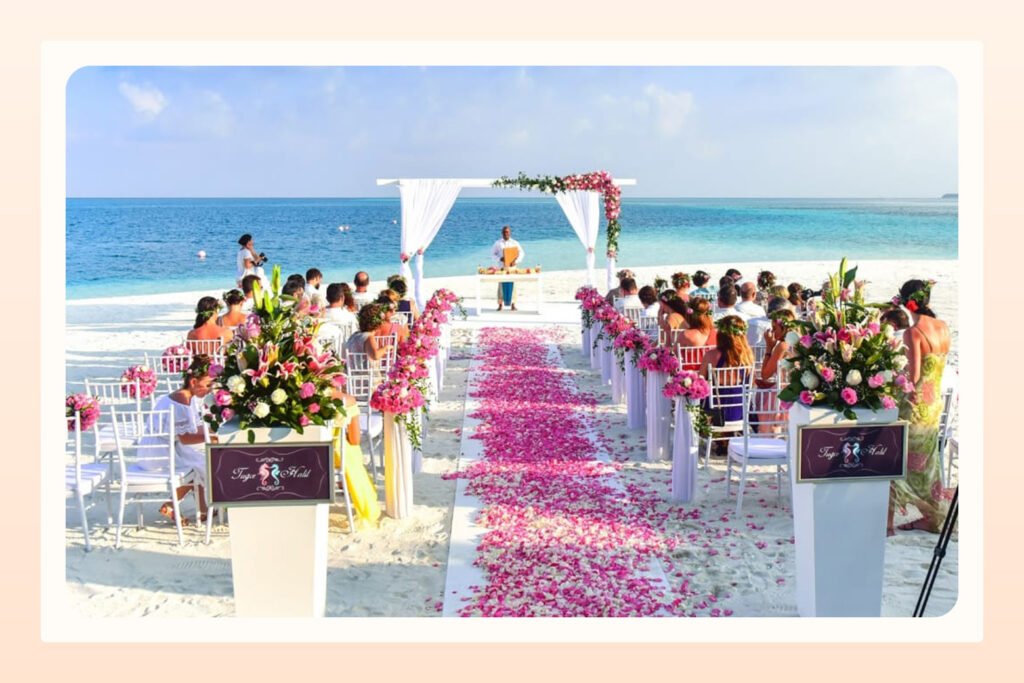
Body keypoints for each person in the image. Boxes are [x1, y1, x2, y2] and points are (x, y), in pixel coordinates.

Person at [888, 279, 953, 535]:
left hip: (915, 406)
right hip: (934, 403)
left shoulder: (913, 333)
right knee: (927, 462)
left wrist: (892, 376)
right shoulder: (944, 327)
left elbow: (912, 376)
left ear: (906, 303)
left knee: (898, 458)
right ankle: (931, 516)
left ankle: (888, 523)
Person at [144, 355, 215, 525]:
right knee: (200, 464)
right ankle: (171, 505)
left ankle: (203, 509)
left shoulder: (184, 396)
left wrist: (212, 429)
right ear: (193, 382)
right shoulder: (182, 401)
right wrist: (213, 435)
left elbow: (192, 430)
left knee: (200, 459)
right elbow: (186, 438)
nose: (210, 390)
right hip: (159, 453)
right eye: (208, 385)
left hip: (166, 446)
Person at [700, 316, 754, 454]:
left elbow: (701, 381)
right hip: (740, 412)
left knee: (704, 398)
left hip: (716, 413)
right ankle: (727, 440)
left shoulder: (711, 355)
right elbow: (751, 385)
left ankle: (720, 440)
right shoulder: (748, 356)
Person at [330, 387, 381, 525]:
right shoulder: (347, 400)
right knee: (352, 452)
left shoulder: (295, 396)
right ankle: (346, 483)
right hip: (335, 454)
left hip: (305, 453)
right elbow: (355, 439)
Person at [675, 298, 716, 370]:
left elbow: (674, 356)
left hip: (689, 376)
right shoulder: (716, 333)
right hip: (710, 374)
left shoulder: (685, 334)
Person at [491, 225, 524, 311]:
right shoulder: (498, 243)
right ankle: (500, 304)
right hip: (502, 267)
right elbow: (492, 254)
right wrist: (500, 258)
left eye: (507, 232)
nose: (506, 233)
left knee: (513, 286)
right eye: (504, 232)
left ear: (510, 233)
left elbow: (521, 253)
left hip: (512, 267)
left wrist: (515, 261)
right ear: (502, 233)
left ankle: (513, 304)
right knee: (501, 286)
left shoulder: (515, 243)